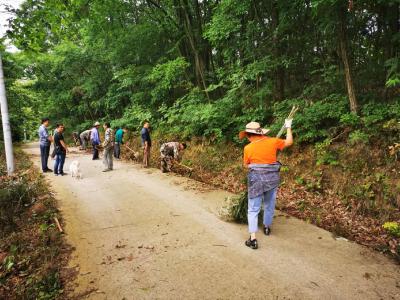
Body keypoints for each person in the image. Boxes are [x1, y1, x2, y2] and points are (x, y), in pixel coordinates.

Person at [239, 120, 293, 250]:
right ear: (261, 132)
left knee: (253, 209)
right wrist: (288, 127)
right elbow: (289, 142)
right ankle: (267, 227)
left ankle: (253, 239)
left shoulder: (248, 148)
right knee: (269, 204)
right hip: (272, 179)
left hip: (256, 181)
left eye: (247, 135)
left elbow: (246, 165)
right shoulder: (273, 141)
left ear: (250, 135)